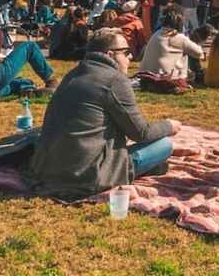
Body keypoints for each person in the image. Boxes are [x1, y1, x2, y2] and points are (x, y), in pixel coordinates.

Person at [29, 29, 182, 200]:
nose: (130, 57)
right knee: (165, 145)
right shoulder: (114, 80)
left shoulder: (72, 75)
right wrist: (169, 125)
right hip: (90, 175)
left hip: (49, 171)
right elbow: (141, 133)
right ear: (110, 54)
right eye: (126, 52)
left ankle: (152, 167)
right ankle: (144, 168)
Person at [138, 4, 205, 82]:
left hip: (146, 78)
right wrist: (194, 40)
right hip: (166, 79)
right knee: (186, 51)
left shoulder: (156, 34)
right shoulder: (178, 37)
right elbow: (199, 54)